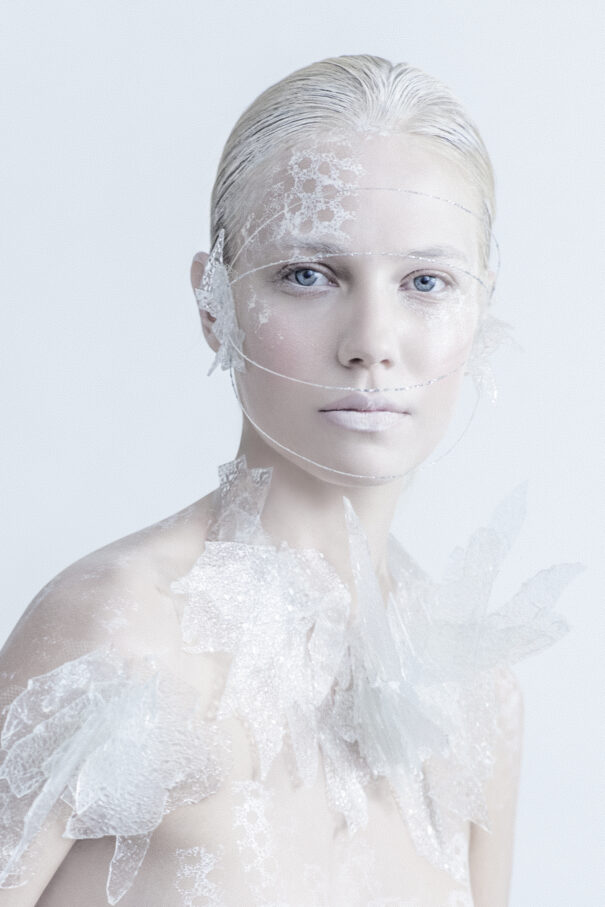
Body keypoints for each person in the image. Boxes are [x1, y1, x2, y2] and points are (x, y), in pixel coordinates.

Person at [0, 55, 577, 907]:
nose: (371, 340)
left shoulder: (477, 699)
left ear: (479, 309)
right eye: (308, 273)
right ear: (213, 303)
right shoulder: (118, 631)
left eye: (426, 281)